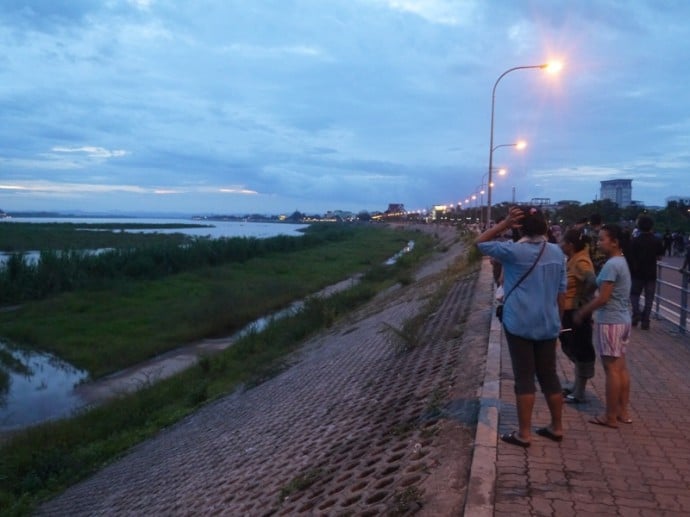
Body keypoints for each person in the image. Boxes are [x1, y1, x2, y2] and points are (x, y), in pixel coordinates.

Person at [475, 206, 567, 447]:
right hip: (548, 324)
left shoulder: (514, 251)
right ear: (545, 227)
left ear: (520, 228)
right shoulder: (557, 253)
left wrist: (505, 223)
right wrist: (558, 322)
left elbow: (480, 242)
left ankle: (524, 434)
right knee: (549, 376)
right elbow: (561, 293)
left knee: (524, 377)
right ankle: (557, 427)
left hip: (519, 324)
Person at [575, 224, 632, 429]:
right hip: (623, 319)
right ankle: (622, 412)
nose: (598, 243)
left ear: (614, 242)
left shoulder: (611, 265)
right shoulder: (621, 262)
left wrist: (583, 311)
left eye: (601, 239)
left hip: (611, 321)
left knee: (611, 370)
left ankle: (609, 416)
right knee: (621, 367)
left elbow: (603, 298)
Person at [559, 229, 597, 403]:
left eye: (563, 242)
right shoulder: (573, 259)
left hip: (575, 313)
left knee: (580, 349)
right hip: (568, 312)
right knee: (571, 347)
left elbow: (592, 280)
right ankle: (576, 386)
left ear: (571, 245)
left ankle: (579, 392)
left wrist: (583, 300)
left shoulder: (581, 261)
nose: (561, 245)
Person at [627, 215, 664, 330]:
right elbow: (659, 257)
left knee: (634, 295)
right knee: (649, 297)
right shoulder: (657, 240)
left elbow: (630, 256)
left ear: (639, 226)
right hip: (651, 273)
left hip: (637, 272)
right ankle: (645, 320)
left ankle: (636, 313)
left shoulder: (634, 241)